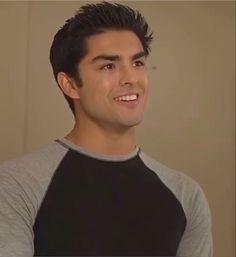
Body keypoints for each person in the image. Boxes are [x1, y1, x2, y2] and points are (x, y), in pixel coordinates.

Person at [0, 2, 213, 257]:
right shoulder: (16, 185)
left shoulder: (186, 195)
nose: (131, 79)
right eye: (109, 66)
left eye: (137, 63)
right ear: (70, 85)